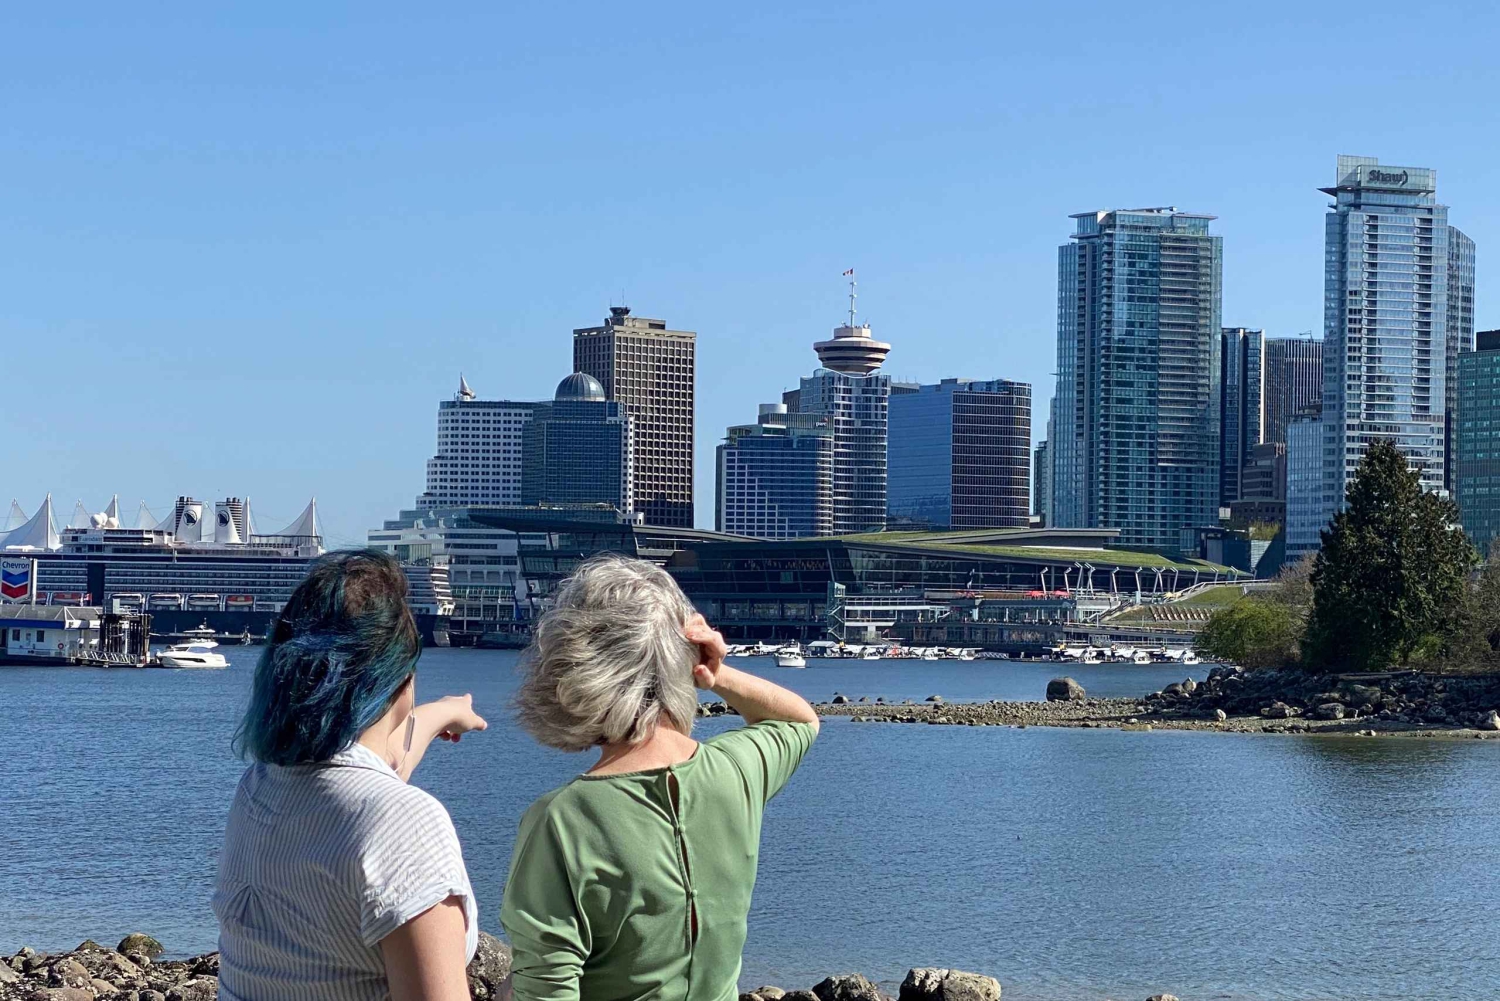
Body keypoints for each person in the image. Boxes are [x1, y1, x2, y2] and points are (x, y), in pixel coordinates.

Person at [502, 554, 820, 1000]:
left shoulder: (562, 821)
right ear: (686, 661)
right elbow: (799, 721)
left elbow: (546, 990)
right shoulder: (733, 771)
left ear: (573, 667)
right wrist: (714, 673)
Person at [213, 549, 489, 1001]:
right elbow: (381, 810)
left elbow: (365, 783)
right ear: (401, 682)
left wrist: (442, 712)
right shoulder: (405, 823)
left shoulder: (260, 789)